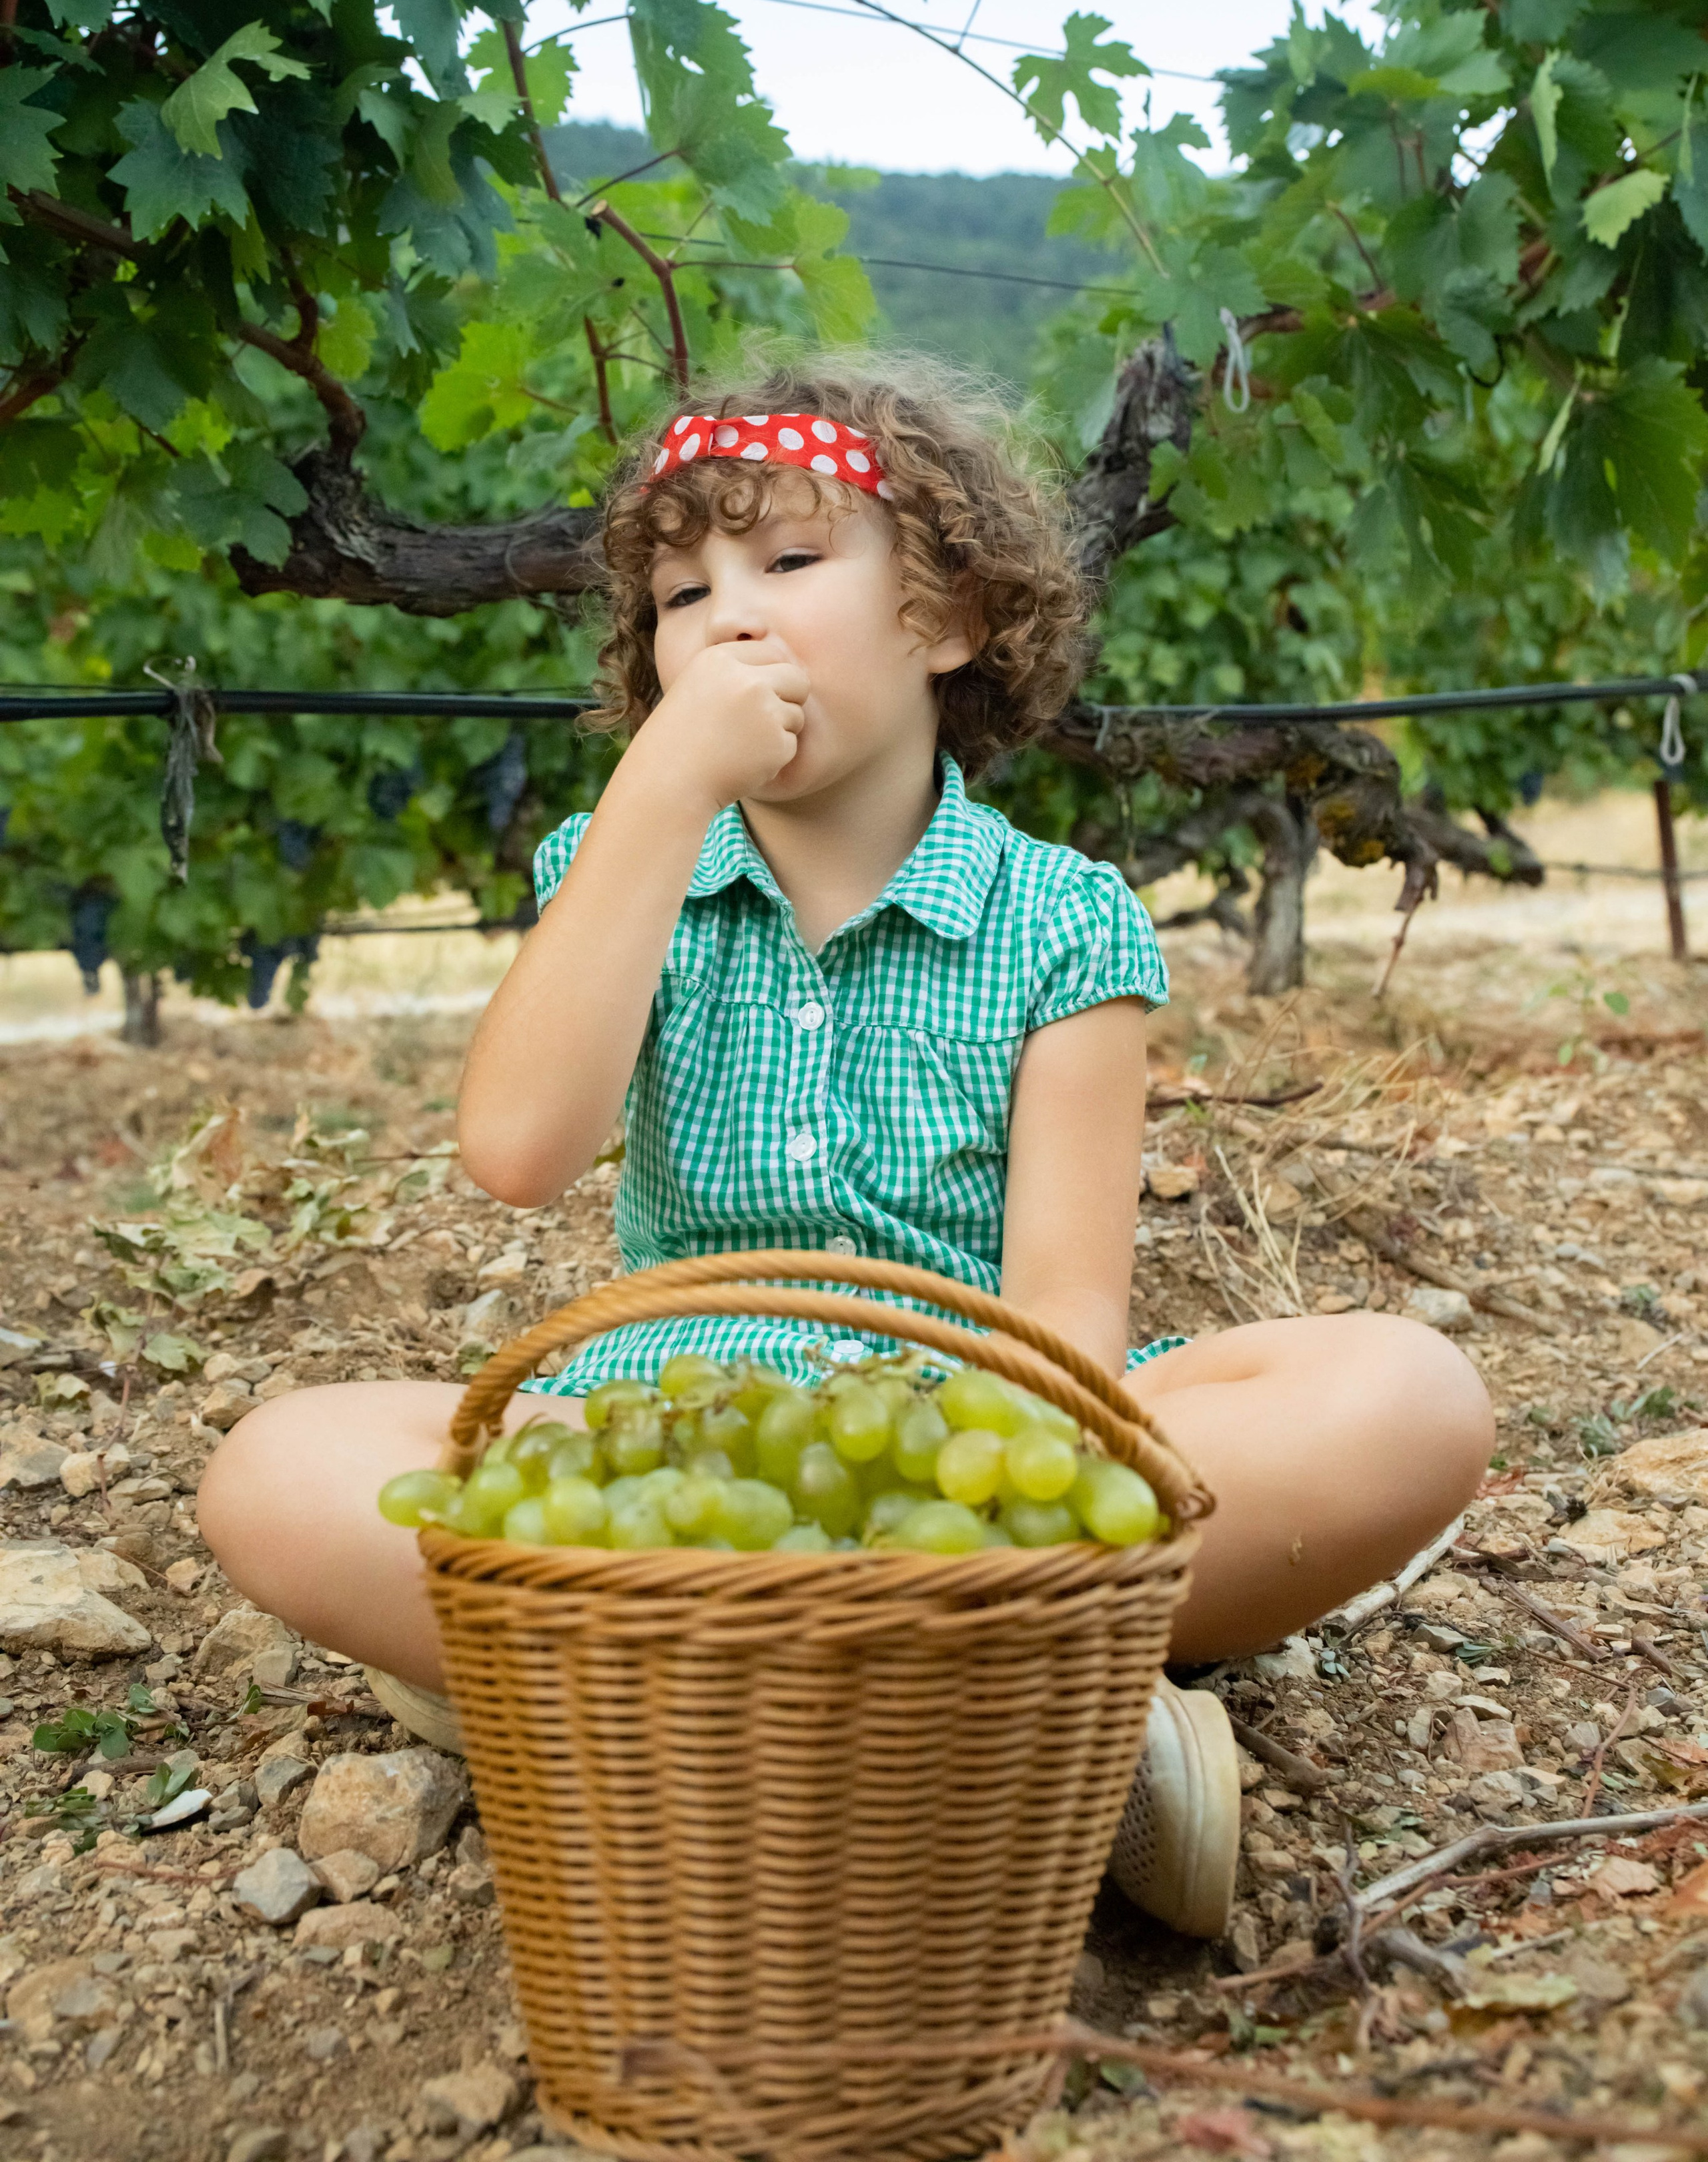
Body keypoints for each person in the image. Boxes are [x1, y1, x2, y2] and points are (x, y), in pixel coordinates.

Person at [199, 352, 1493, 1940]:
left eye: (792, 562)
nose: (729, 616)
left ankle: (649, 1701)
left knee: (1404, 1396)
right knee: (278, 1471)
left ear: (944, 621)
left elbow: (1065, 1322)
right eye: (682, 594)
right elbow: (521, 1151)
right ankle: (1031, 1726)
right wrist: (654, 801)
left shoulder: (1061, 921)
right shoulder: (619, 871)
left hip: (978, 1441)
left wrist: (999, 1501)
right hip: (661, 1443)